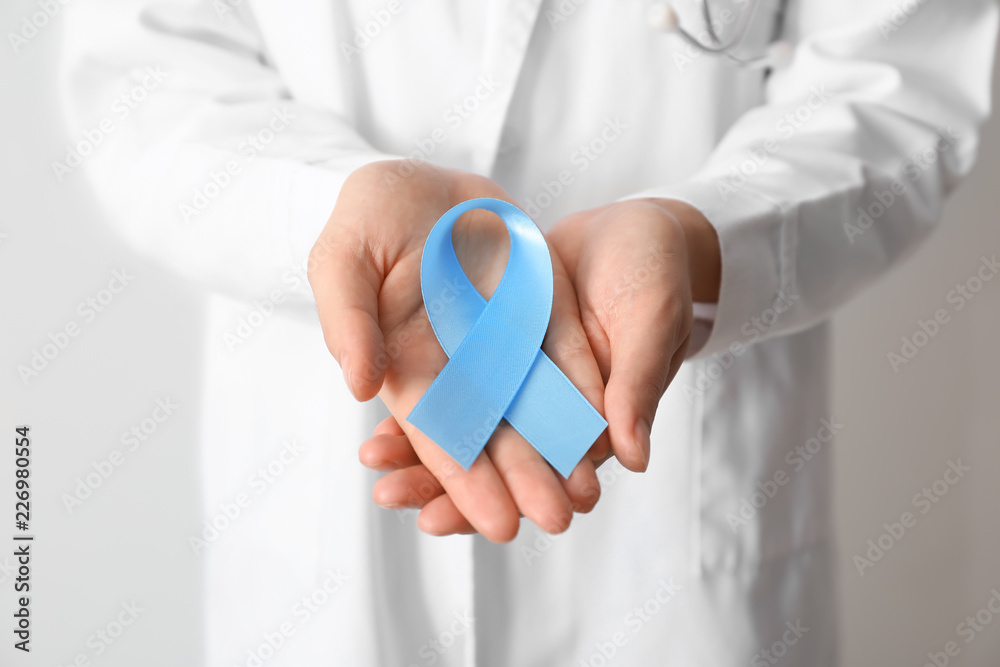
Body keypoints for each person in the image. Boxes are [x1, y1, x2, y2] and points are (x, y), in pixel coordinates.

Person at [60, 0, 998, 664]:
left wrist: (701, 237)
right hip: (325, 512)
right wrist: (330, 208)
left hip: (674, 535)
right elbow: (143, 77)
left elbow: (903, 86)